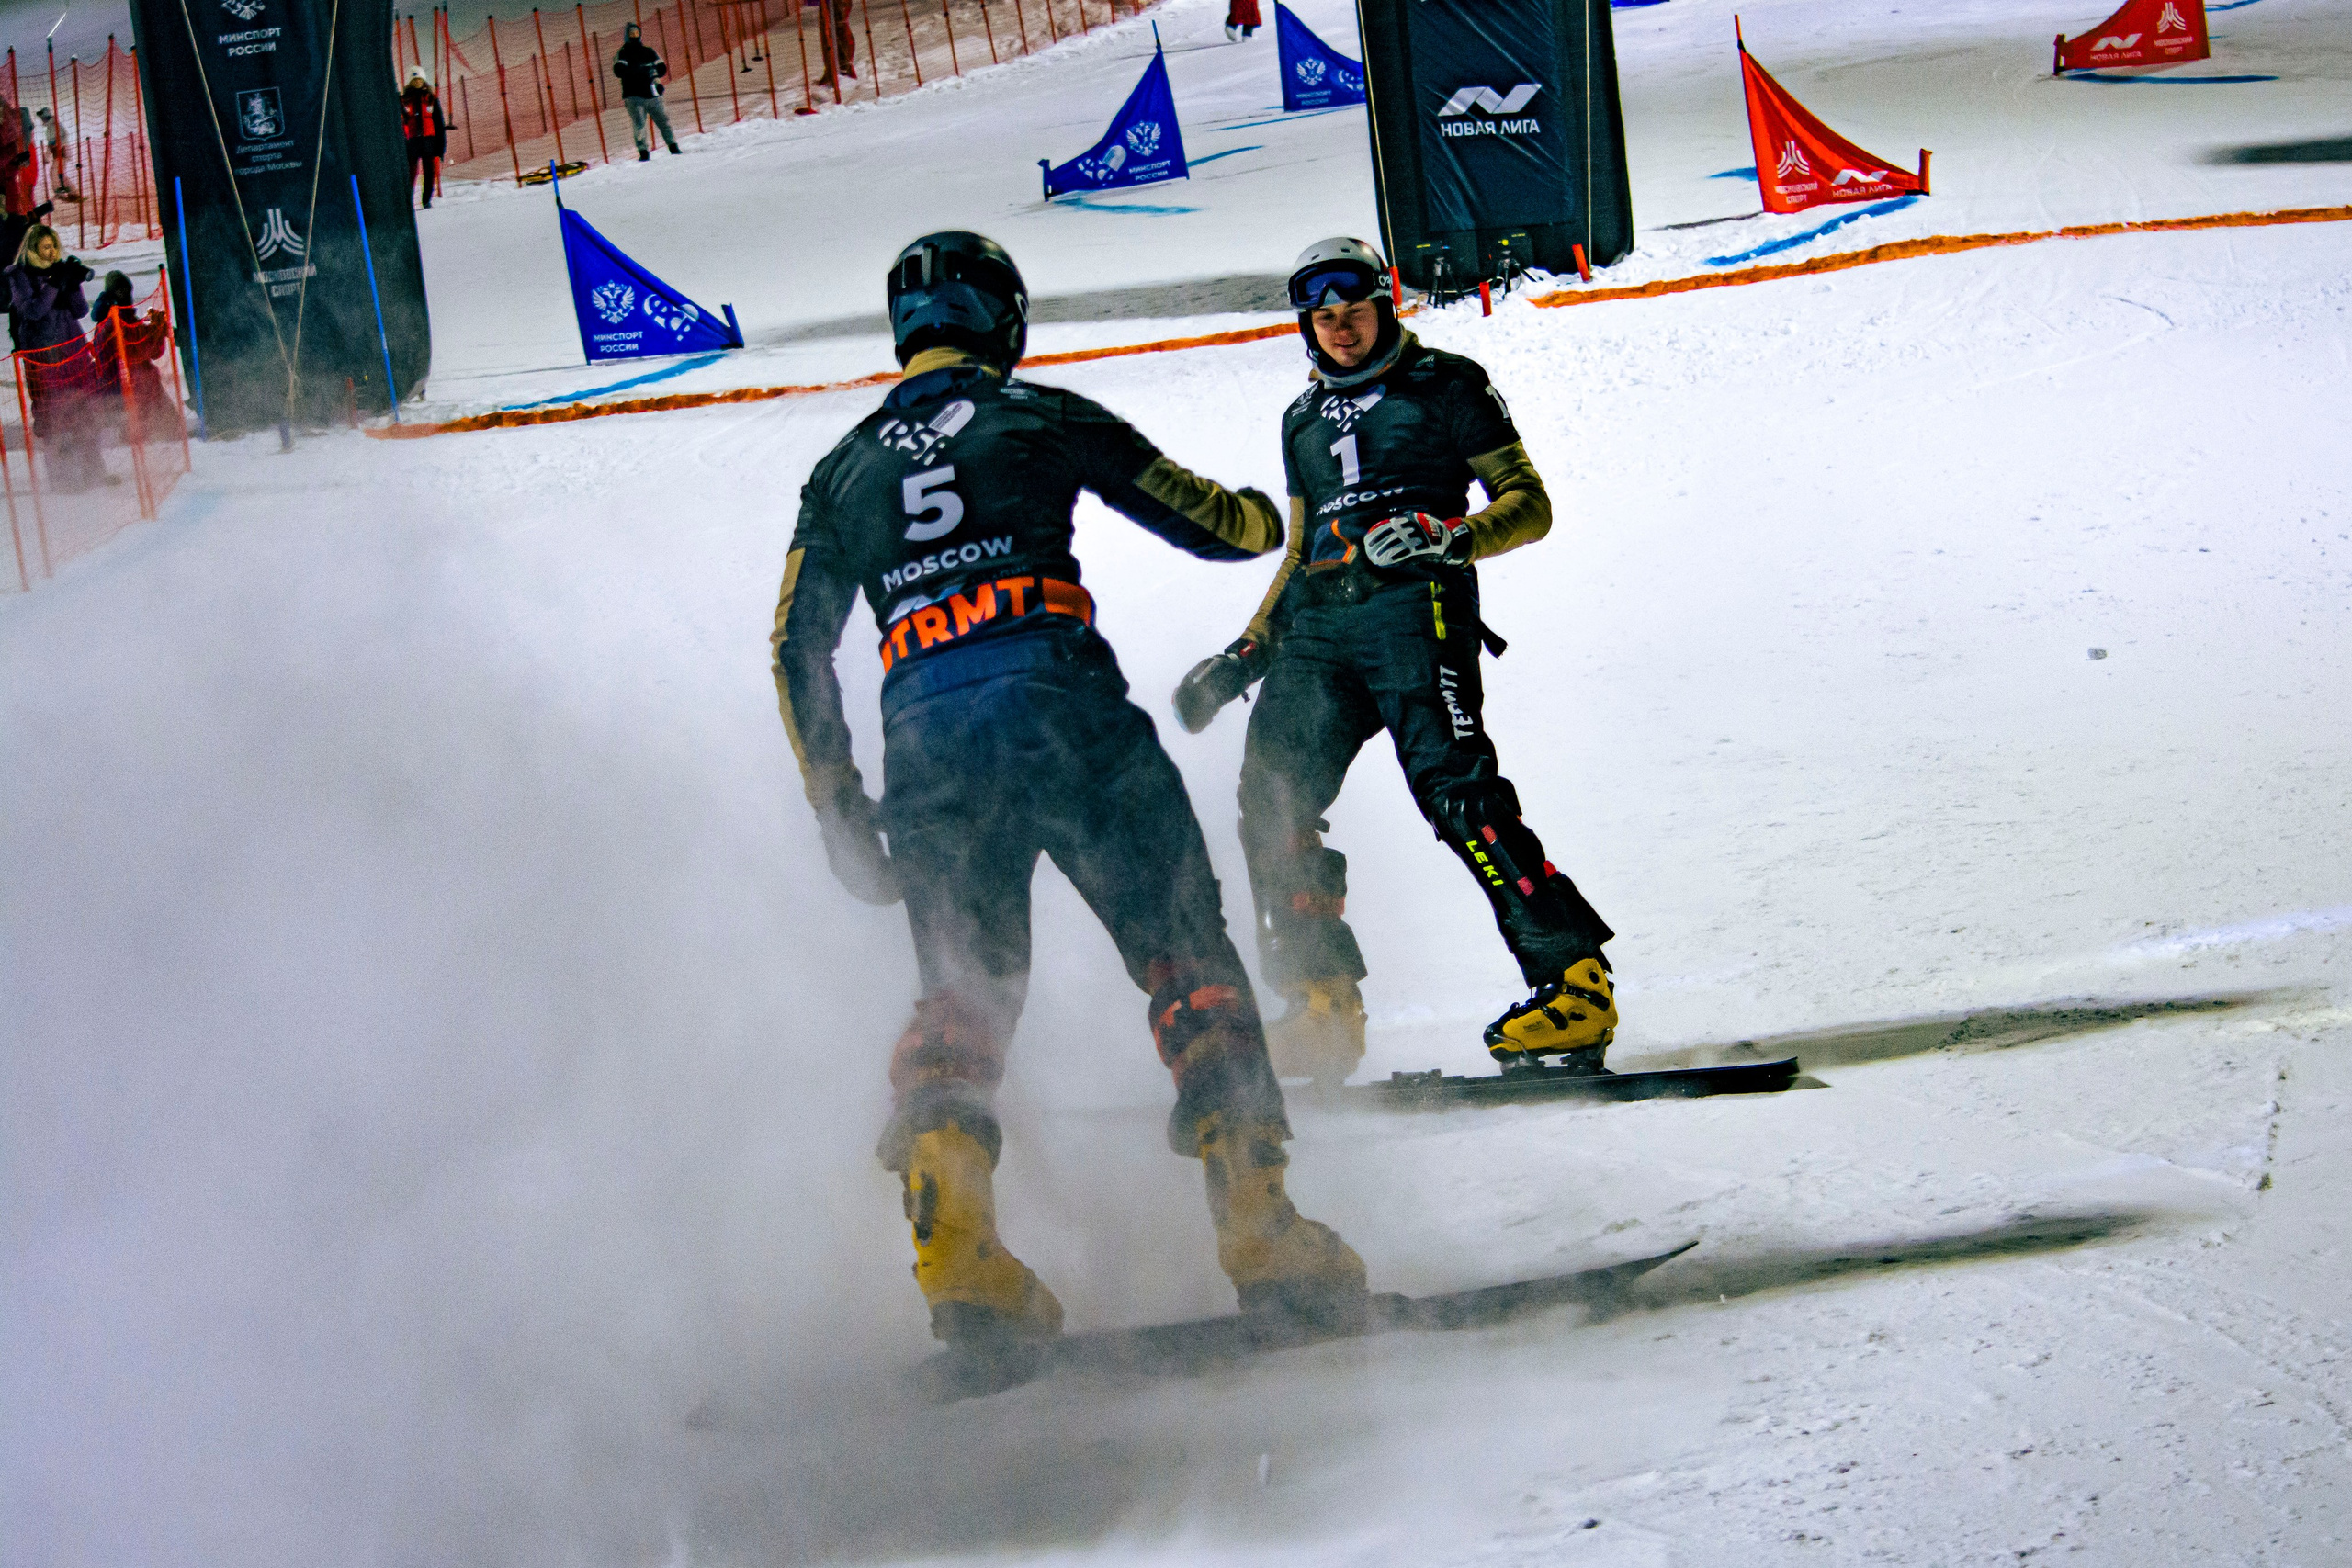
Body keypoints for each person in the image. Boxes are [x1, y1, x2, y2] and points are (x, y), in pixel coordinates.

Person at [771, 231, 1367, 1361]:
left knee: (960, 993)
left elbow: (794, 648)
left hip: (927, 740)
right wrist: (1269, 514)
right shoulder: (1037, 414)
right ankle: (1259, 1225)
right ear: (1002, 320)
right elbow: (1210, 521)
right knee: (1183, 952)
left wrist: (838, 802)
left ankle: (961, 1258)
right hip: (1062, 704)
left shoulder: (841, 470)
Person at [1173, 236, 1615, 1088]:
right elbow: (1302, 553)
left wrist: (1449, 537)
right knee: (1269, 797)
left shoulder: (1449, 383)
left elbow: (1531, 506)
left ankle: (1575, 982)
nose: (1341, 330)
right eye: (1324, 316)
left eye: (1356, 311)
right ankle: (1322, 1003)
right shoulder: (1300, 418)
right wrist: (1244, 653)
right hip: (1318, 630)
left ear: (1387, 305)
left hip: (1417, 609)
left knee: (1455, 794)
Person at [5, 224, 106, 491]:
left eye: (54, 246)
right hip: (44, 353)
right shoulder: (19, 275)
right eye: (45, 247)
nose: (51, 252)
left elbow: (82, 310)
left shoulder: (58, 269)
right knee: (54, 416)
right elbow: (33, 310)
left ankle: (95, 471)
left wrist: (71, 283)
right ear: (33, 248)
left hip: (72, 348)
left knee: (83, 410)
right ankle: (63, 479)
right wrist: (52, 285)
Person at [89, 270, 175, 441]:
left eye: (128, 291)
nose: (126, 296)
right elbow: (141, 349)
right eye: (120, 291)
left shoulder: (126, 318)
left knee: (148, 376)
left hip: (130, 380)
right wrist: (156, 331)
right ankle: (146, 431)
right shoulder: (110, 322)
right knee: (146, 378)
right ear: (111, 294)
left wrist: (156, 330)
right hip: (118, 384)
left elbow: (147, 347)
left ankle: (165, 428)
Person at [612, 24, 681, 160]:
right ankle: (643, 152)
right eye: (631, 34)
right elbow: (618, 70)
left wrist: (653, 73)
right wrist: (640, 70)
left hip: (654, 95)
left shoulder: (649, 51)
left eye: (636, 33)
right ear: (626, 36)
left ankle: (673, 147)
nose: (634, 36)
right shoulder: (623, 52)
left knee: (664, 122)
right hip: (634, 97)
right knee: (639, 125)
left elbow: (661, 68)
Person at [400, 71, 449, 209]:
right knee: (411, 173)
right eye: (414, 80)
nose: (417, 82)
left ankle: (426, 200)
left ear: (423, 81)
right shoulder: (404, 100)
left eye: (420, 79)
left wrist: (441, 147)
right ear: (411, 82)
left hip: (429, 141)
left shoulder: (431, 99)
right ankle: (406, 203)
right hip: (412, 142)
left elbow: (439, 124)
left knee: (429, 172)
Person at [34, 107, 76, 203]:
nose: (42, 120)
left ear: (46, 116)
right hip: (57, 154)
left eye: (42, 118)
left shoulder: (56, 125)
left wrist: (59, 144)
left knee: (55, 173)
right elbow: (50, 145)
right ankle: (72, 193)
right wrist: (46, 157)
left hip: (62, 153)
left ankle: (64, 193)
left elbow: (65, 135)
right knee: (58, 174)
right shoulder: (49, 128)